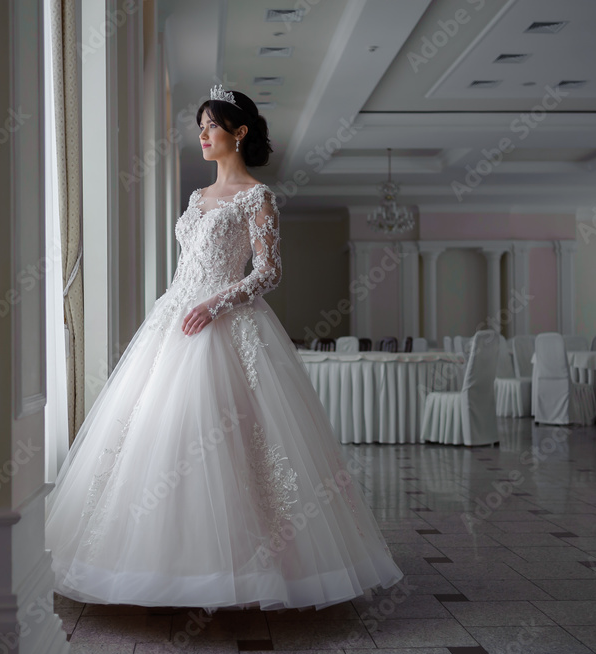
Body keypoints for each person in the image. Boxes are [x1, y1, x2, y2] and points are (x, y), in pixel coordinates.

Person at [46, 85, 403, 612]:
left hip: (225, 321)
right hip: (174, 319)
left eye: (211, 125)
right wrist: (181, 305)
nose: (202, 135)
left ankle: (246, 571)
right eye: (200, 126)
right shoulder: (195, 199)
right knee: (155, 435)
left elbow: (269, 271)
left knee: (234, 444)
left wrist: (215, 304)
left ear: (238, 132)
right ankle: (159, 564)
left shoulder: (257, 198)